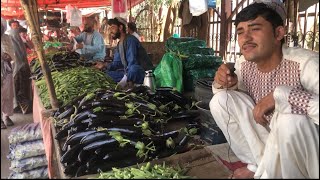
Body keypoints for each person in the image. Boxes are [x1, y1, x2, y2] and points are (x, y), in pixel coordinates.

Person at [209, 0, 319, 179]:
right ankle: (259, 166)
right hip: (273, 145)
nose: (246, 38)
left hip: (310, 156)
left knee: (290, 120)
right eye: (240, 31)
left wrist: (282, 95)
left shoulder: (307, 64)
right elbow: (237, 105)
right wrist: (224, 82)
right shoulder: (244, 65)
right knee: (221, 101)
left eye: (255, 28)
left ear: (278, 33)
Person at [95, 17, 145, 89]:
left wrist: (126, 76)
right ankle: (126, 80)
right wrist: (104, 65)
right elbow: (117, 64)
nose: (110, 31)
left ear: (120, 27)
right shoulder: (119, 44)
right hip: (126, 72)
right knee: (104, 75)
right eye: (109, 28)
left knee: (133, 69)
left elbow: (132, 63)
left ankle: (127, 81)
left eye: (112, 27)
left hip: (139, 72)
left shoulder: (131, 40)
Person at [8, 19, 33, 114]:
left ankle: (21, 106)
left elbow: (27, 50)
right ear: (10, 26)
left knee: (21, 87)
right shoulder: (11, 39)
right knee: (19, 87)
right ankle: (20, 106)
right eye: (14, 26)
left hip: (21, 66)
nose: (16, 27)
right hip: (17, 67)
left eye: (17, 26)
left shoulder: (19, 39)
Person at [1, 18, 15, 129]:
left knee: (8, 94)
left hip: (7, 70)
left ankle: (7, 116)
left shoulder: (7, 38)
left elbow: (11, 53)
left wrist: (8, 56)